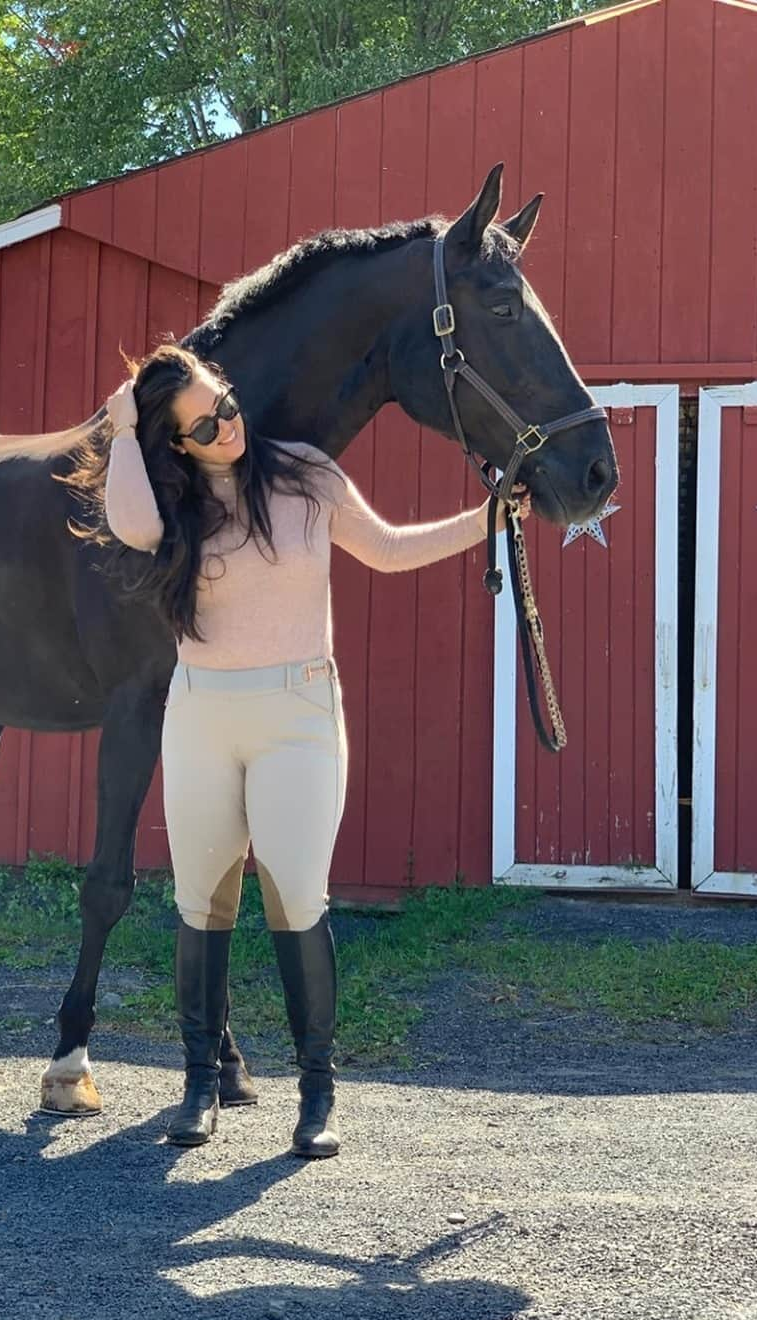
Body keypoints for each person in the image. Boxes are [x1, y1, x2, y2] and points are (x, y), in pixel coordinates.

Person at [89, 344, 528, 1157]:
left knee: (298, 895)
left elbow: (389, 549)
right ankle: (198, 1084)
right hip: (202, 716)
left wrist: (488, 520)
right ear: (176, 444)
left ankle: (316, 1091)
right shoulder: (175, 505)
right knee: (201, 901)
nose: (226, 428)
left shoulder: (306, 474)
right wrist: (122, 428)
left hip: (298, 713)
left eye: (225, 405)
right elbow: (133, 523)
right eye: (203, 427)